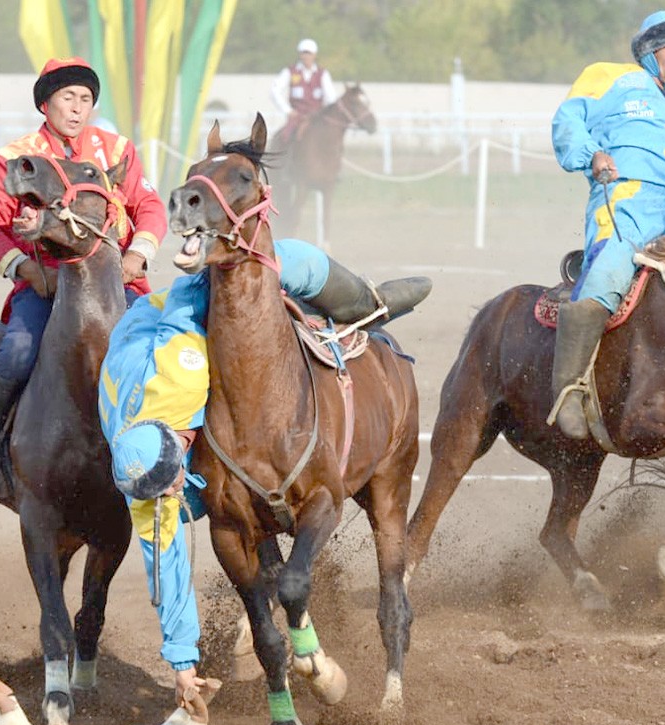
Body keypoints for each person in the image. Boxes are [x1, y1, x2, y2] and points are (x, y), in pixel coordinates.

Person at [98, 239, 430, 700]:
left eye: (175, 484)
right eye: (167, 492)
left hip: (171, 318)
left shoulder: (184, 371)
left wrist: (226, 267)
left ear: (177, 448)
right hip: (130, 357)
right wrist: (181, 662)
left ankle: (370, 302)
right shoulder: (144, 485)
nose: (173, 494)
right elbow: (166, 567)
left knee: (276, 267)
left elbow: (187, 301)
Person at [0, 57, 167, 494]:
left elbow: (149, 208)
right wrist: (27, 269)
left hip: (113, 284)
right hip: (46, 286)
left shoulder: (115, 150)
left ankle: (173, 449)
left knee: (161, 353)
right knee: (16, 351)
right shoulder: (14, 160)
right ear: (45, 104)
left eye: (85, 99)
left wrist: (139, 253)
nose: (77, 108)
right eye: (67, 98)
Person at [548, 11, 665, 439]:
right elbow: (568, 121)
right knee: (610, 271)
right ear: (651, 48)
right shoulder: (607, 76)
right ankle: (568, 390)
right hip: (623, 200)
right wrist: (591, 154)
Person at [269, 38, 338, 148]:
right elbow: (274, 91)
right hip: (297, 118)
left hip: (317, 118)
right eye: (303, 53)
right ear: (300, 54)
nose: (306, 56)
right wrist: (288, 111)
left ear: (314, 55)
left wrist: (324, 112)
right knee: (284, 138)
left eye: (309, 53)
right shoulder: (290, 72)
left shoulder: (323, 74)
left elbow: (331, 98)